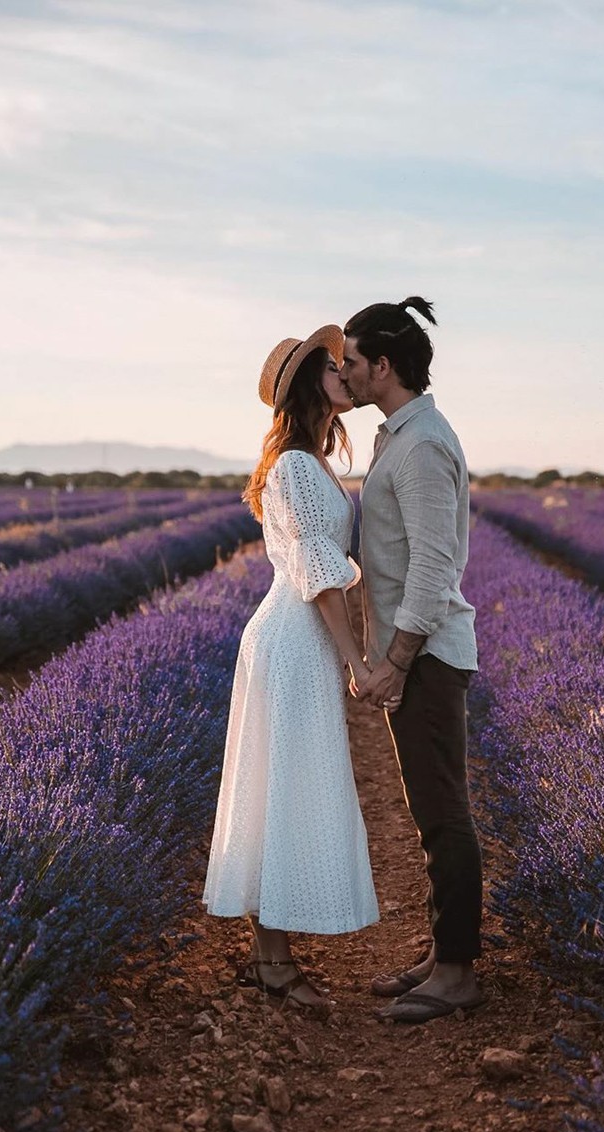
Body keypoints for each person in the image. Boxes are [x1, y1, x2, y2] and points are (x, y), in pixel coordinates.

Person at [202, 325, 379, 1011]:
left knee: (283, 782)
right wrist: (356, 660)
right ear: (309, 384)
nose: (344, 373)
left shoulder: (311, 460)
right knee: (285, 784)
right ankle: (272, 961)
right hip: (295, 636)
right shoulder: (299, 467)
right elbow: (318, 577)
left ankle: (270, 953)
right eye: (333, 367)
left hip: (294, 636)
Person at [339, 296, 483, 1024]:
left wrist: (395, 657)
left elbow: (433, 565)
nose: (346, 373)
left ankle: (458, 971)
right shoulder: (402, 435)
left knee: (444, 813)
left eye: (354, 362)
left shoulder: (422, 443)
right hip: (417, 651)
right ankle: (441, 950)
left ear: (384, 366)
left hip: (428, 653)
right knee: (428, 809)